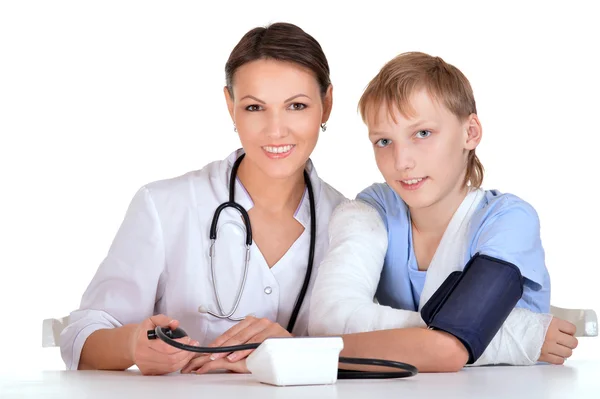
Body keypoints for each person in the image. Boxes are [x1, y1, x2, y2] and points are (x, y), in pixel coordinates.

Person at [59, 22, 346, 376]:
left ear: (327, 104)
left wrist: (294, 352)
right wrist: (134, 343)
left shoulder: (351, 222)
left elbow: (384, 350)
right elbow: (81, 337)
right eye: (255, 108)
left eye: (296, 105)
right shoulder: (165, 206)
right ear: (230, 106)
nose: (276, 130)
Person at [307, 51, 579, 372]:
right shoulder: (374, 207)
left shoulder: (509, 220)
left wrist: (447, 339)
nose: (401, 161)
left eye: (422, 133)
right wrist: (518, 334)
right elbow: (329, 322)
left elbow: (454, 343)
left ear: (470, 133)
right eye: (383, 141)